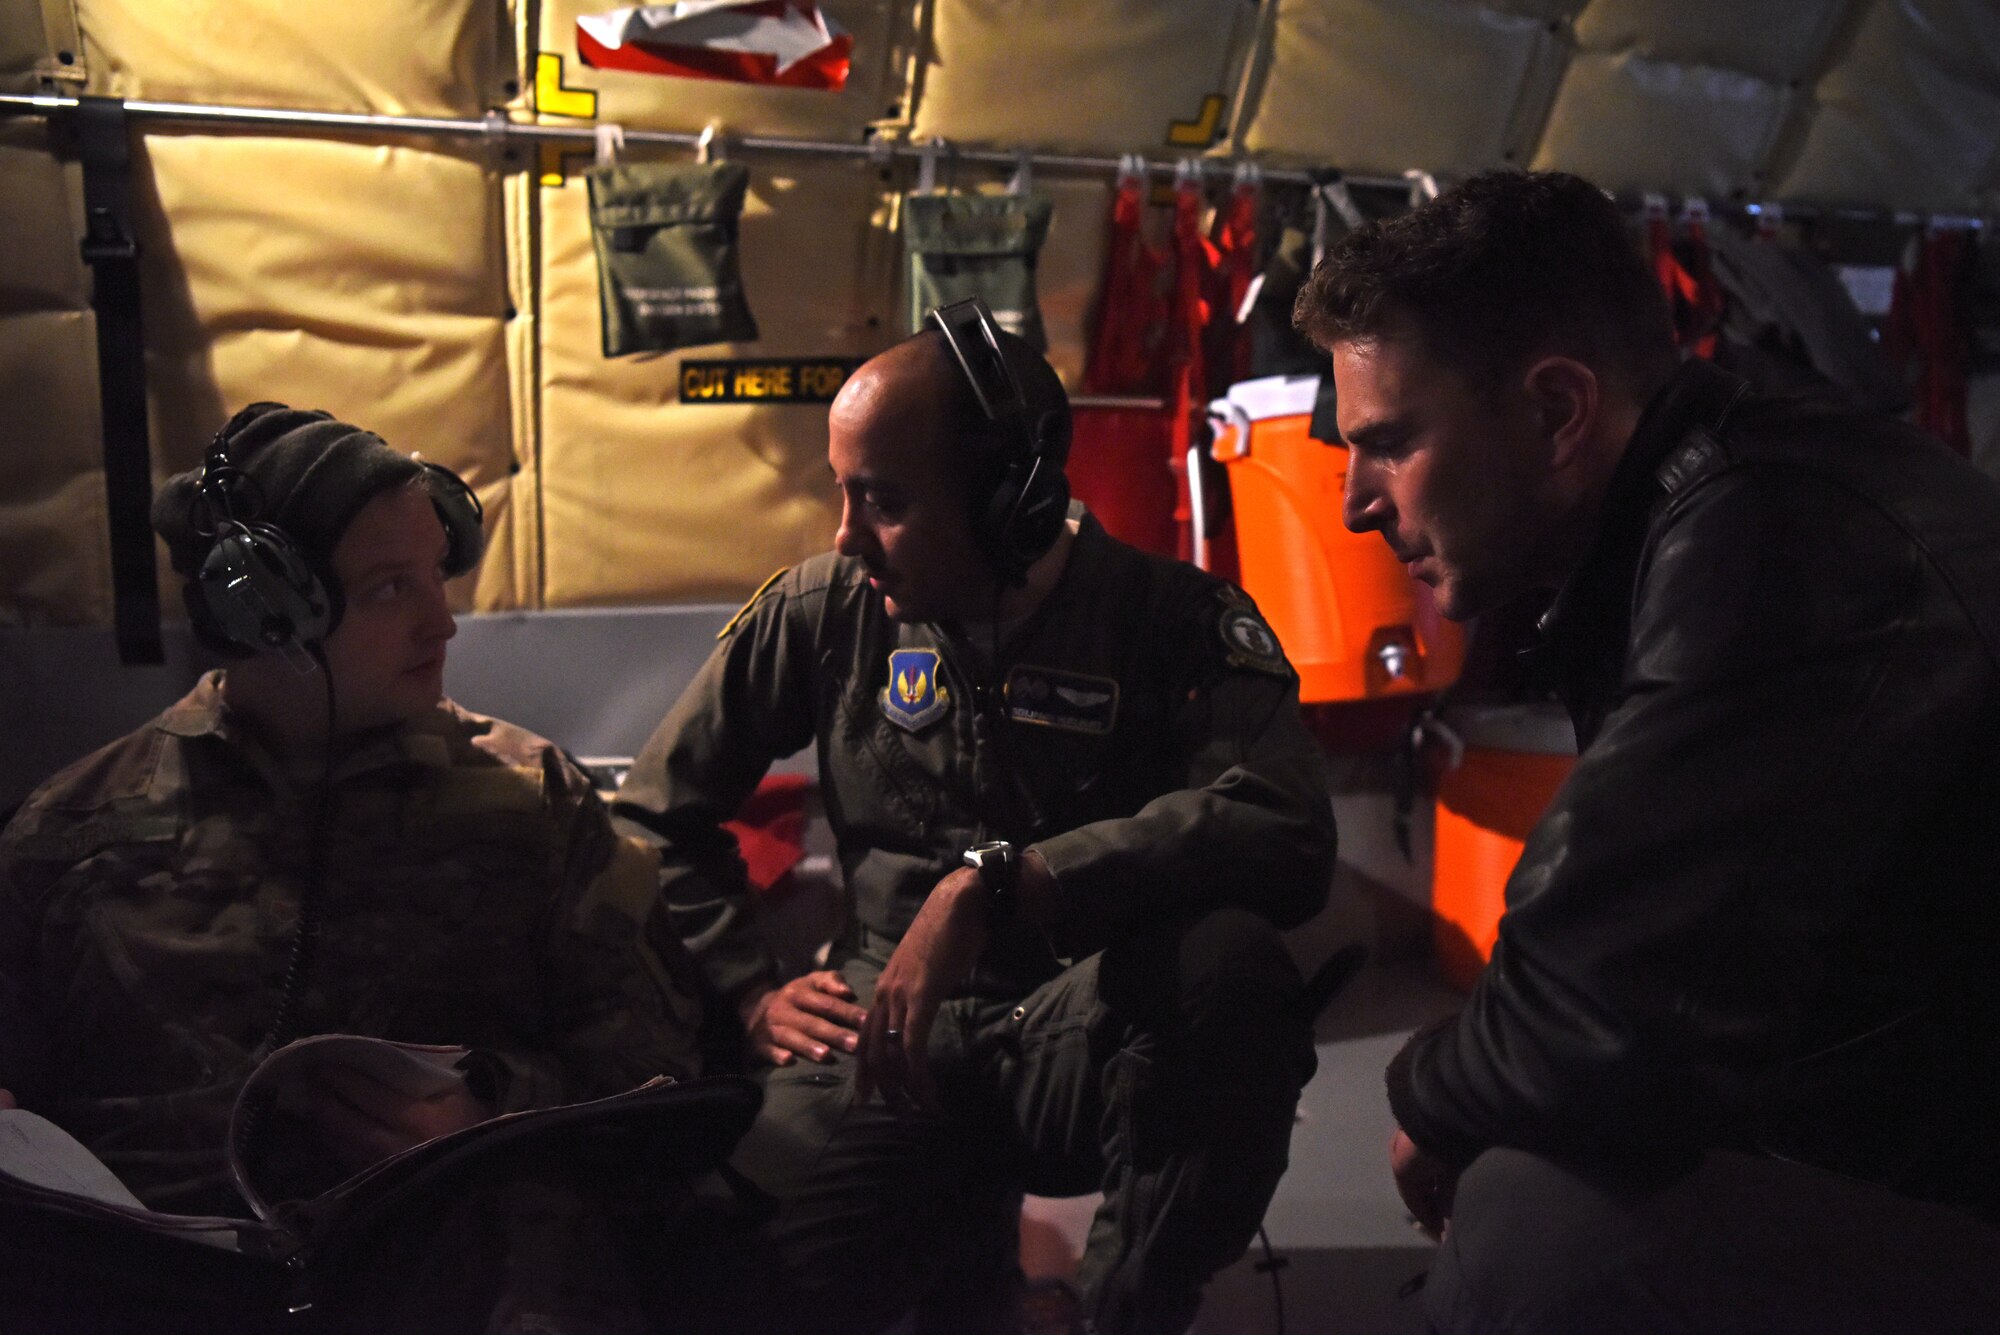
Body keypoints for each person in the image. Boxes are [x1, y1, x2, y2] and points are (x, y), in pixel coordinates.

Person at [1293, 169, 2000, 1332]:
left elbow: (1583, 1009)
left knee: (1537, 1227)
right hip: (1906, 1113)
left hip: (1951, 1170)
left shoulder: (1769, 544)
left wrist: (1430, 1099)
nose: (1356, 506)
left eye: (1390, 443)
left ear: (1558, 411)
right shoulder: (1718, 498)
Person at [612, 299, 1336, 1335]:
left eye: (885, 502)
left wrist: (1009, 884)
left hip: (1074, 1035)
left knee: (1228, 969)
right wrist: (748, 994)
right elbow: (651, 821)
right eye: (843, 496)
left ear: (1014, 506)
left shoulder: (1169, 623)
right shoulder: (826, 611)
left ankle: (1120, 1316)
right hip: (880, 1038)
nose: (846, 536)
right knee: (719, 1286)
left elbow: (1287, 829)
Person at [0, 403, 706, 1329]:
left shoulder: (532, 802)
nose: (441, 622)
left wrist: (489, 1114)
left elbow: (665, 1077)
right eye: (388, 589)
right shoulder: (72, 835)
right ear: (265, 611)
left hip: (455, 1273)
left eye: (434, 576)